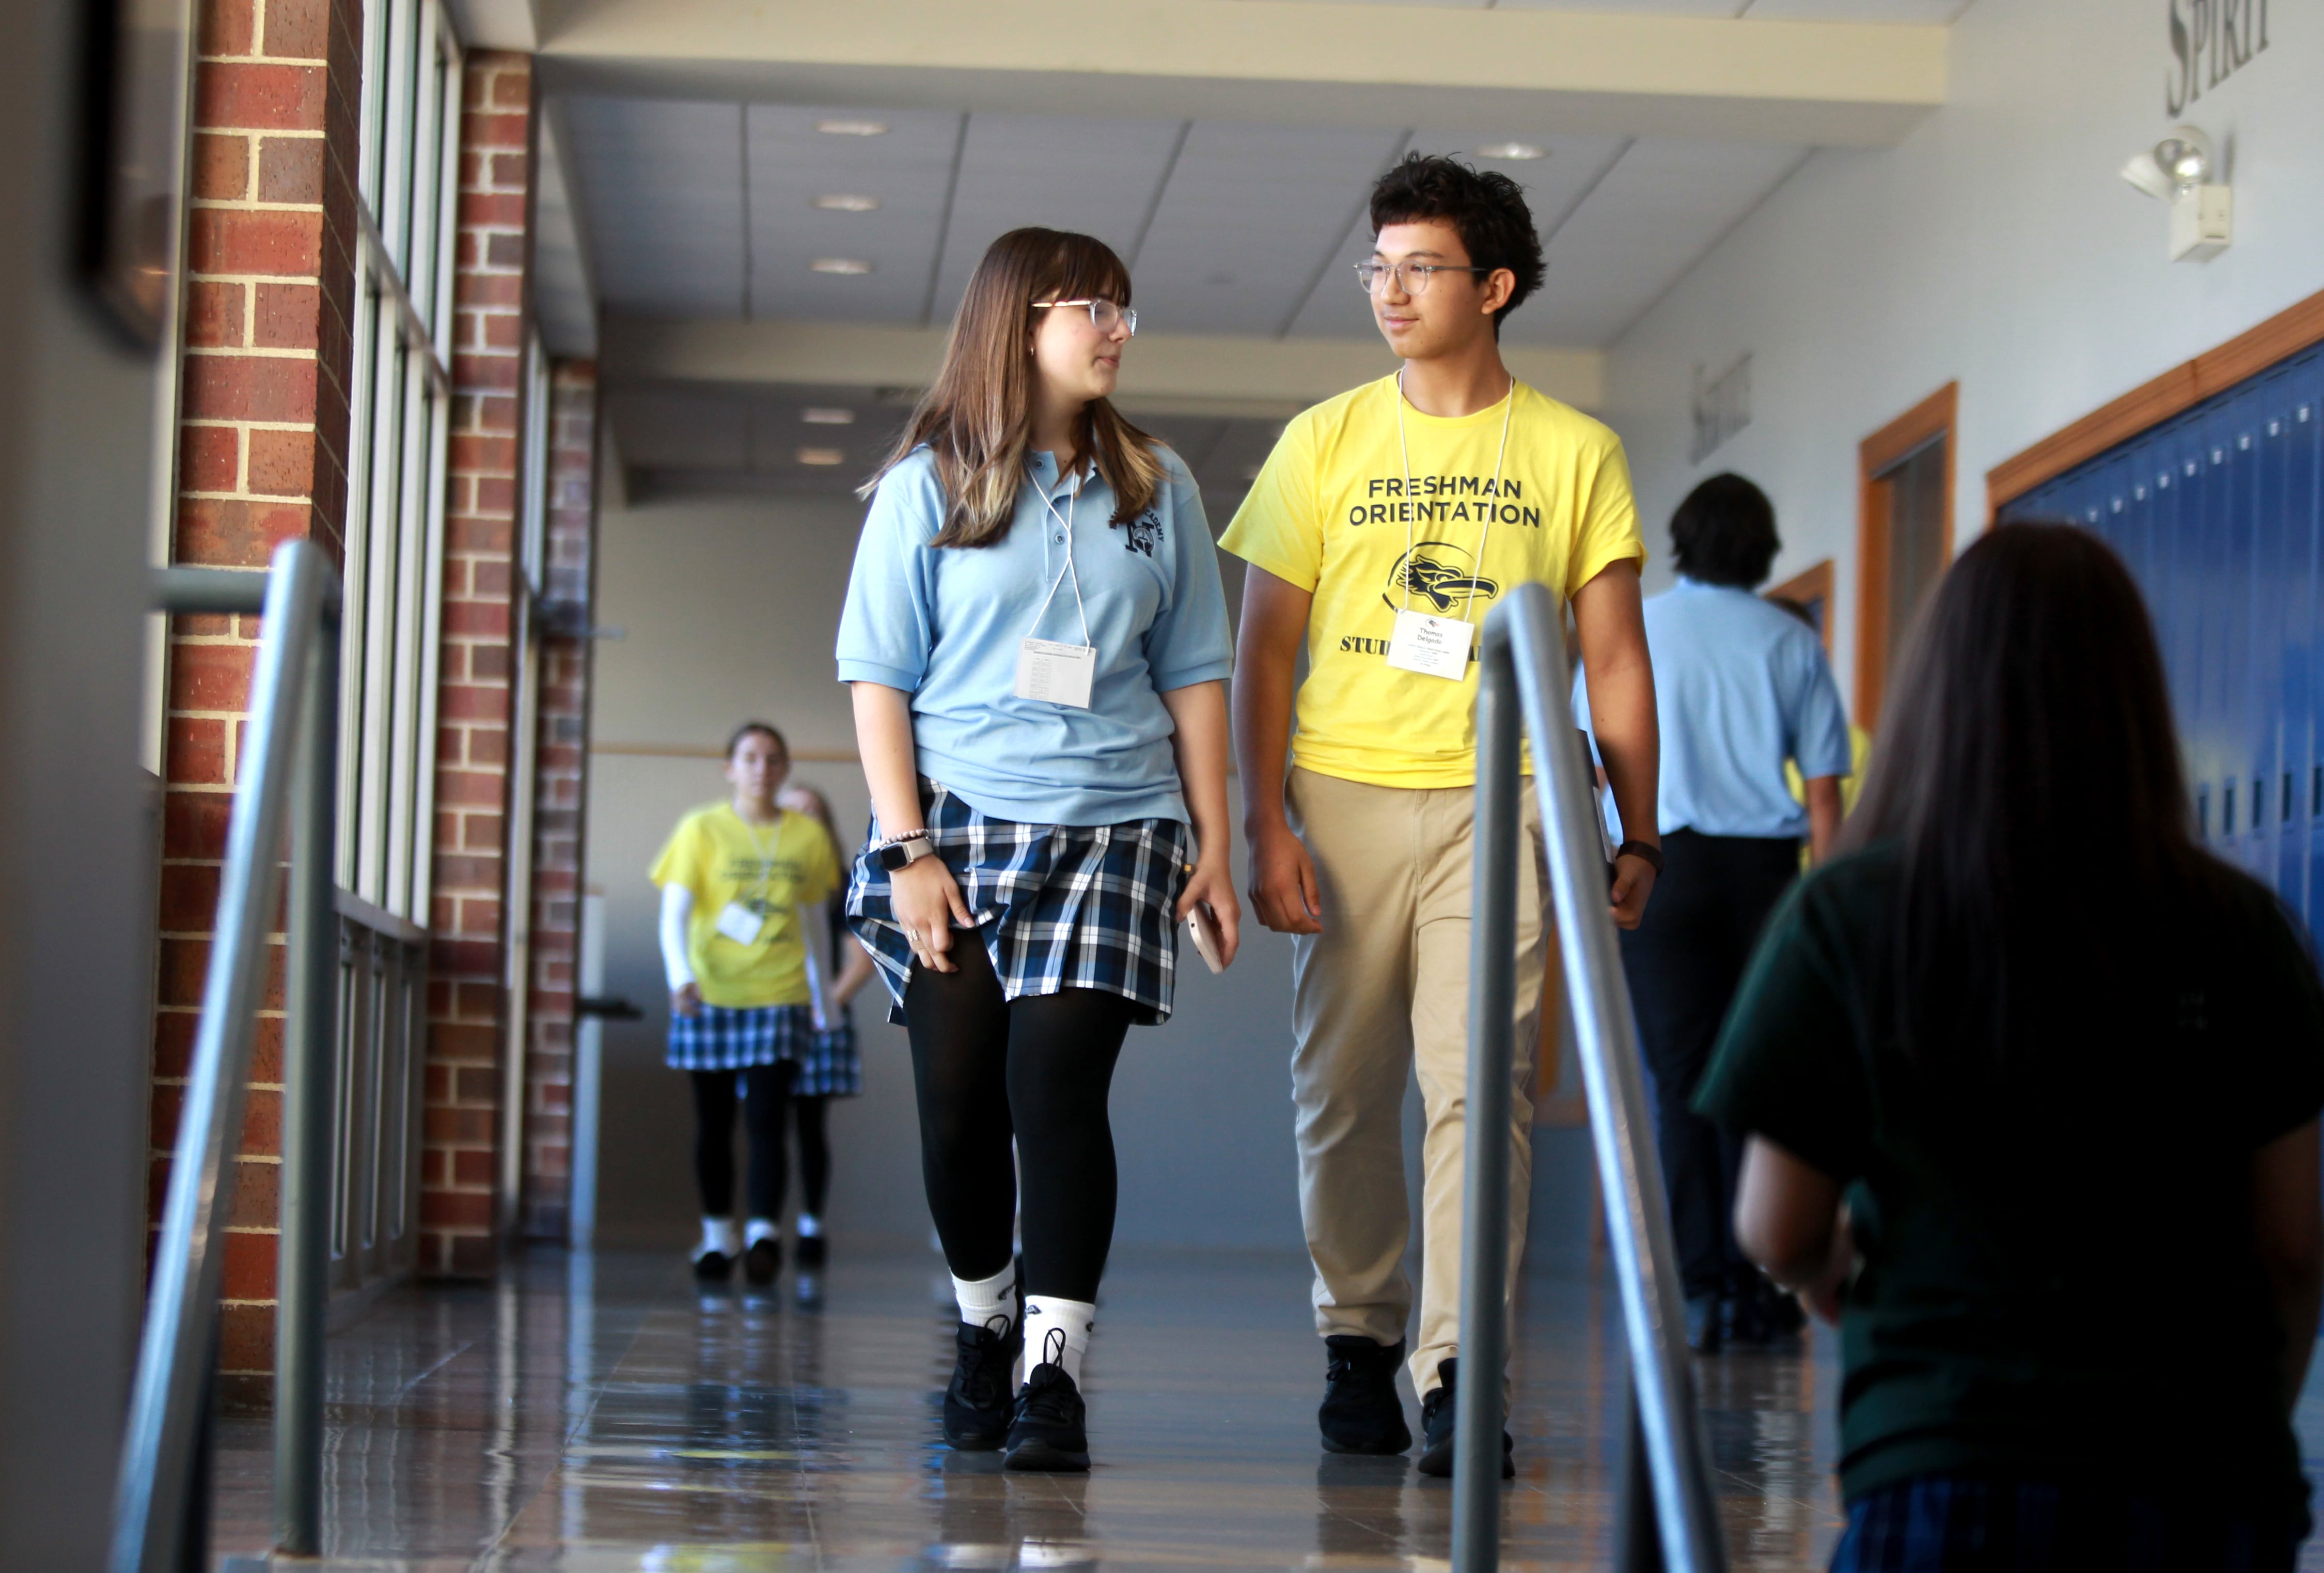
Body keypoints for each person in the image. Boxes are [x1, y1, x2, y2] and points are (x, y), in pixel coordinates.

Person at [1700, 523, 2324, 1568]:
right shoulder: (2242, 925)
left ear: (1935, 692)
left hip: (1943, 1467)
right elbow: (2294, 1244)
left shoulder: (1849, 913)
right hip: (2200, 1475)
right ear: (2135, 698)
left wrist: (1828, 1272)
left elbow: (1774, 1223)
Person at [1222, 153, 1660, 1477]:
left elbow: (1617, 658)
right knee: (1342, 1094)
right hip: (1340, 797)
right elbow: (1260, 654)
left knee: (1478, 1096)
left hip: (1508, 797)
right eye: (1379, 266)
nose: (1389, 291)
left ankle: (1464, 1371)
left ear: (1494, 286)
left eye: (1419, 267)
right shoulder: (1325, 439)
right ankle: (1355, 1338)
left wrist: (1635, 828)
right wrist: (1262, 826)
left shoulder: (1574, 450)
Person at [836, 227, 1238, 1474]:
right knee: (959, 1116)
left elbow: (1194, 676)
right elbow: (876, 678)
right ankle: (981, 1321)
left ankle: (1052, 1373)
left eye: (1122, 311)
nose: (1115, 331)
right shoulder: (926, 486)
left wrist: (1215, 840)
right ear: (1018, 325)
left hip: (1115, 824)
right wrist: (906, 850)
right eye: (1089, 310)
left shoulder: (1155, 484)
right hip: (952, 824)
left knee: (1053, 1094)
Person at [1573, 473, 1850, 1352]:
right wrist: (1833, 916)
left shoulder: (1635, 627)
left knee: (1682, 1084)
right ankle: (1766, 1286)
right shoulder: (1791, 639)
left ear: (1682, 540)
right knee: (1765, 1077)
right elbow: (1825, 800)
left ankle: (1698, 1289)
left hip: (1662, 867)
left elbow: (1584, 762)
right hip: (1766, 881)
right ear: (1763, 548)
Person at [650, 722, 842, 1286]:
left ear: (785, 769)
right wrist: (680, 977)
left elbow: (814, 924)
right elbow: (674, 914)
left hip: (779, 994)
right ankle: (716, 1236)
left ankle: (762, 1234)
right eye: (750, 758)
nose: (762, 769)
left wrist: (823, 998)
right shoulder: (701, 828)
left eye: (773, 759)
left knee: (767, 1119)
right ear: (730, 768)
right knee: (712, 1122)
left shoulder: (809, 838)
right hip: (711, 991)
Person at [771, 781, 880, 1295]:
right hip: (766, 1012)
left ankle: (812, 1225)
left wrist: (825, 1005)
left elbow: (861, 960)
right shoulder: (767, 878)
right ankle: (761, 1229)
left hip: (817, 1016)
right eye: (793, 813)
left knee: (811, 1126)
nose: (804, 821)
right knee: (763, 1125)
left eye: (813, 812)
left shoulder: (839, 881)